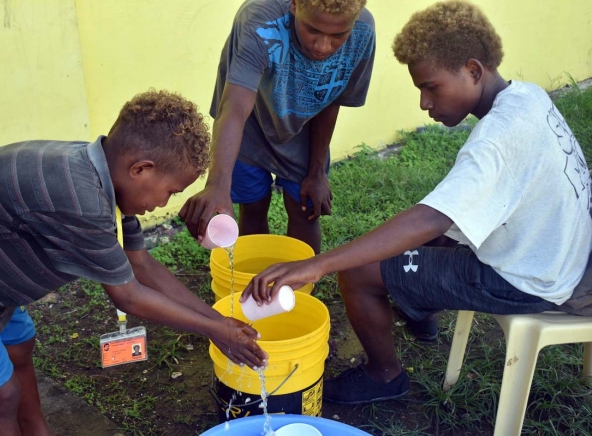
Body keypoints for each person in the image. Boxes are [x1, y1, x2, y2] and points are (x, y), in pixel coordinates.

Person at [241, 0, 592, 404]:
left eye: (431, 87)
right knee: (406, 240)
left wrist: (318, 263)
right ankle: (419, 311)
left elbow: (432, 218)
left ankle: (384, 377)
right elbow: (446, 215)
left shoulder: (496, 141)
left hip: (527, 278)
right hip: (557, 251)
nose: (425, 104)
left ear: (474, 71)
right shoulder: (527, 98)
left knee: (357, 272)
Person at [0, 89, 268, 436]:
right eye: (170, 191)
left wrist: (219, 323)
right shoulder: (82, 201)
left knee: (20, 348)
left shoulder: (102, 175)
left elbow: (142, 265)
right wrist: (214, 331)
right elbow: (127, 295)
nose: (164, 202)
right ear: (141, 169)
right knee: (1, 397)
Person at [179, 0, 375, 254]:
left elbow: (332, 96)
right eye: (312, 30)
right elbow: (235, 109)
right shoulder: (259, 21)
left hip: (302, 129)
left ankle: (300, 286)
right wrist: (218, 184)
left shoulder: (363, 31)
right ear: (294, 5)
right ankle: (254, 284)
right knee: (252, 205)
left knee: (306, 208)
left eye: (338, 35)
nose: (323, 46)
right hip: (248, 127)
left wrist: (317, 171)